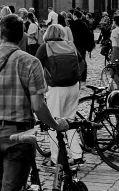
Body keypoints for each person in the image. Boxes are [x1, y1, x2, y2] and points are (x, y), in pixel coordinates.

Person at [0, 14, 69, 190]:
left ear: (0, 33)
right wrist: (56, 125)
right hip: (19, 131)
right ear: (22, 35)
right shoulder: (31, 62)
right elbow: (38, 105)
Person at [34, 24, 83, 166]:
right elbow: (82, 63)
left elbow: (35, 65)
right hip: (73, 86)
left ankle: (56, 159)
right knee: (70, 121)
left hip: (56, 88)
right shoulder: (70, 45)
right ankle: (77, 155)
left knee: (53, 122)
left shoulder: (45, 47)